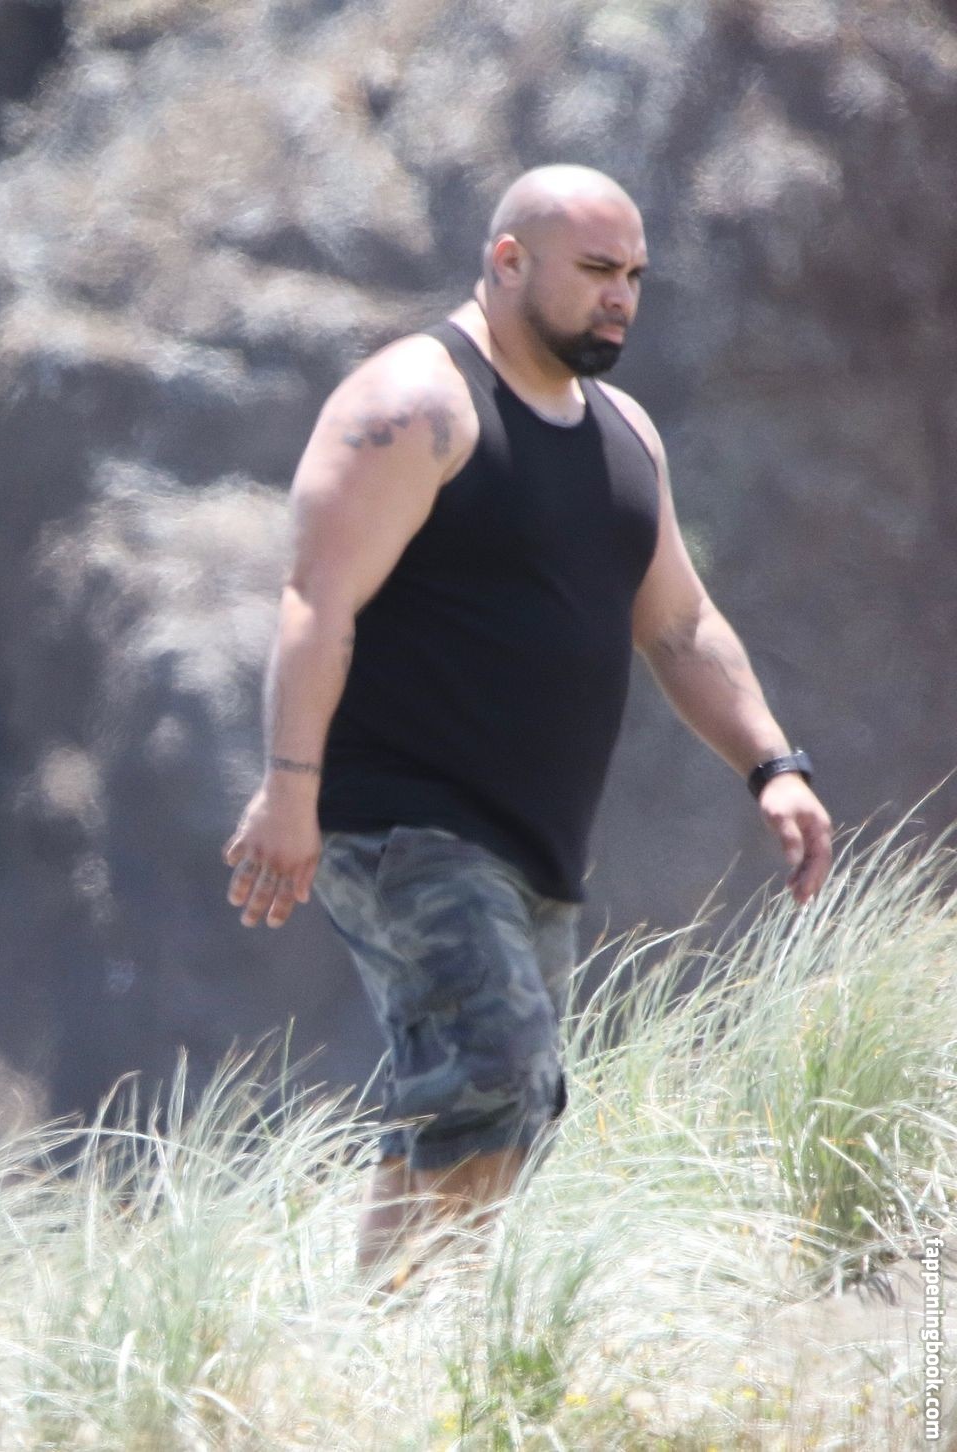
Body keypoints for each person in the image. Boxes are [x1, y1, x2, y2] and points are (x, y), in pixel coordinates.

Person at [222, 164, 833, 1286]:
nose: (622, 297)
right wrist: (290, 790)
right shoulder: (417, 403)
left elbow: (680, 625)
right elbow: (317, 600)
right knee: (493, 1067)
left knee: (507, 1100)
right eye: (597, 270)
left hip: (533, 847)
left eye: (635, 275)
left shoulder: (624, 433)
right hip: (402, 824)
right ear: (507, 262)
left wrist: (771, 765)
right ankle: (409, 1337)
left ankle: (386, 1339)